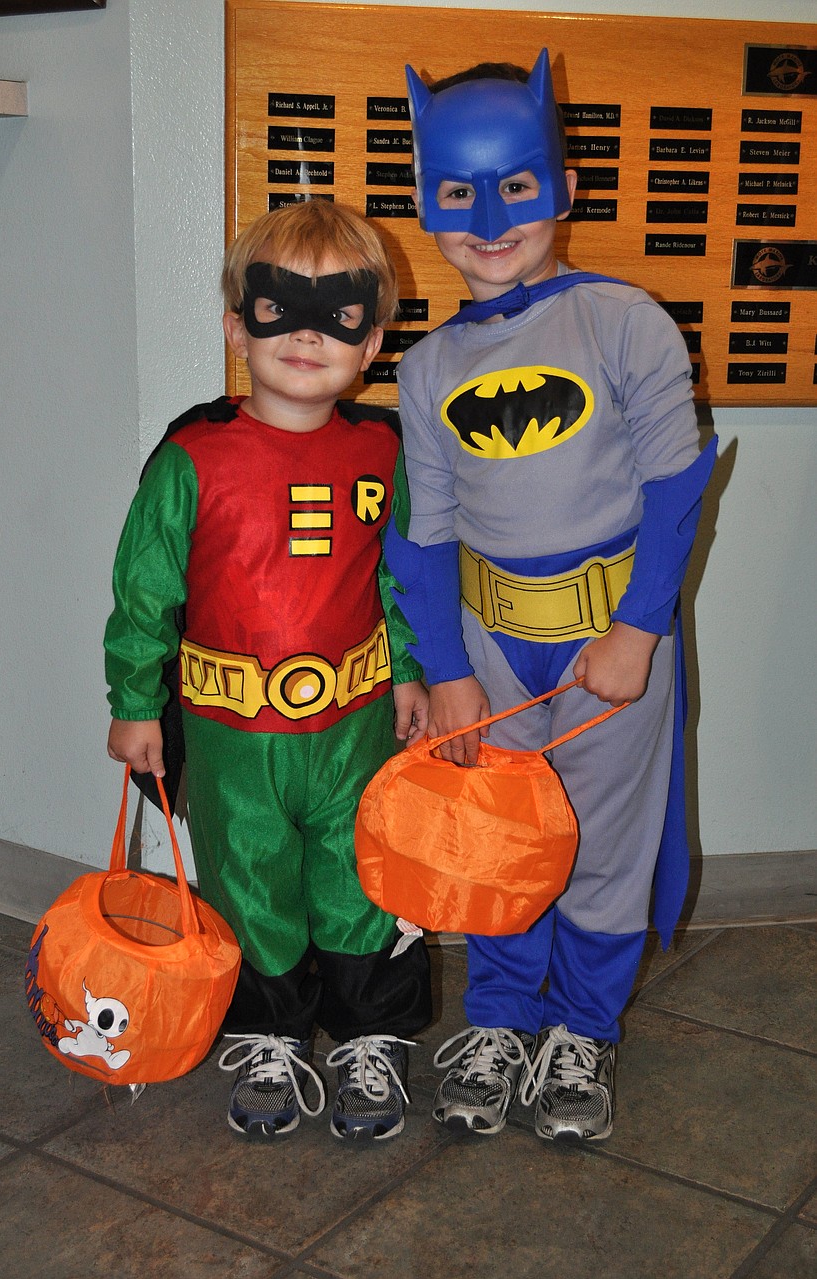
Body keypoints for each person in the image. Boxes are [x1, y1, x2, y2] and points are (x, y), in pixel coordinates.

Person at [386, 51, 716, 1145]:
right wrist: (443, 670)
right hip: (490, 647)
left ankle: (582, 1031)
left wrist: (640, 625)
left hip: (608, 640)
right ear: (428, 200)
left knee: (606, 848)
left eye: (516, 187)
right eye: (459, 192)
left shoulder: (623, 321)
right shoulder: (429, 367)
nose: (490, 221)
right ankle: (499, 1022)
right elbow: (425, 533)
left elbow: (675, 486)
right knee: (495, 838)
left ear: (562, 186)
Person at [104, 198, 433, 1142]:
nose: (306, 335)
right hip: (231, 739)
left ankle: (368, 1037)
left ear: (371, 343)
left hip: (355, 727)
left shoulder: (384, 450)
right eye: (279, 308)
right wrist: (135, 700)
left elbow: (404, 577)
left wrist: (410, 670)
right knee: (248, 882)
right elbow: (145, 587)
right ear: (235, 326)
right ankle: (271, 1037)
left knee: (361, 876)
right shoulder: (193, 457)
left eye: (338, 316)